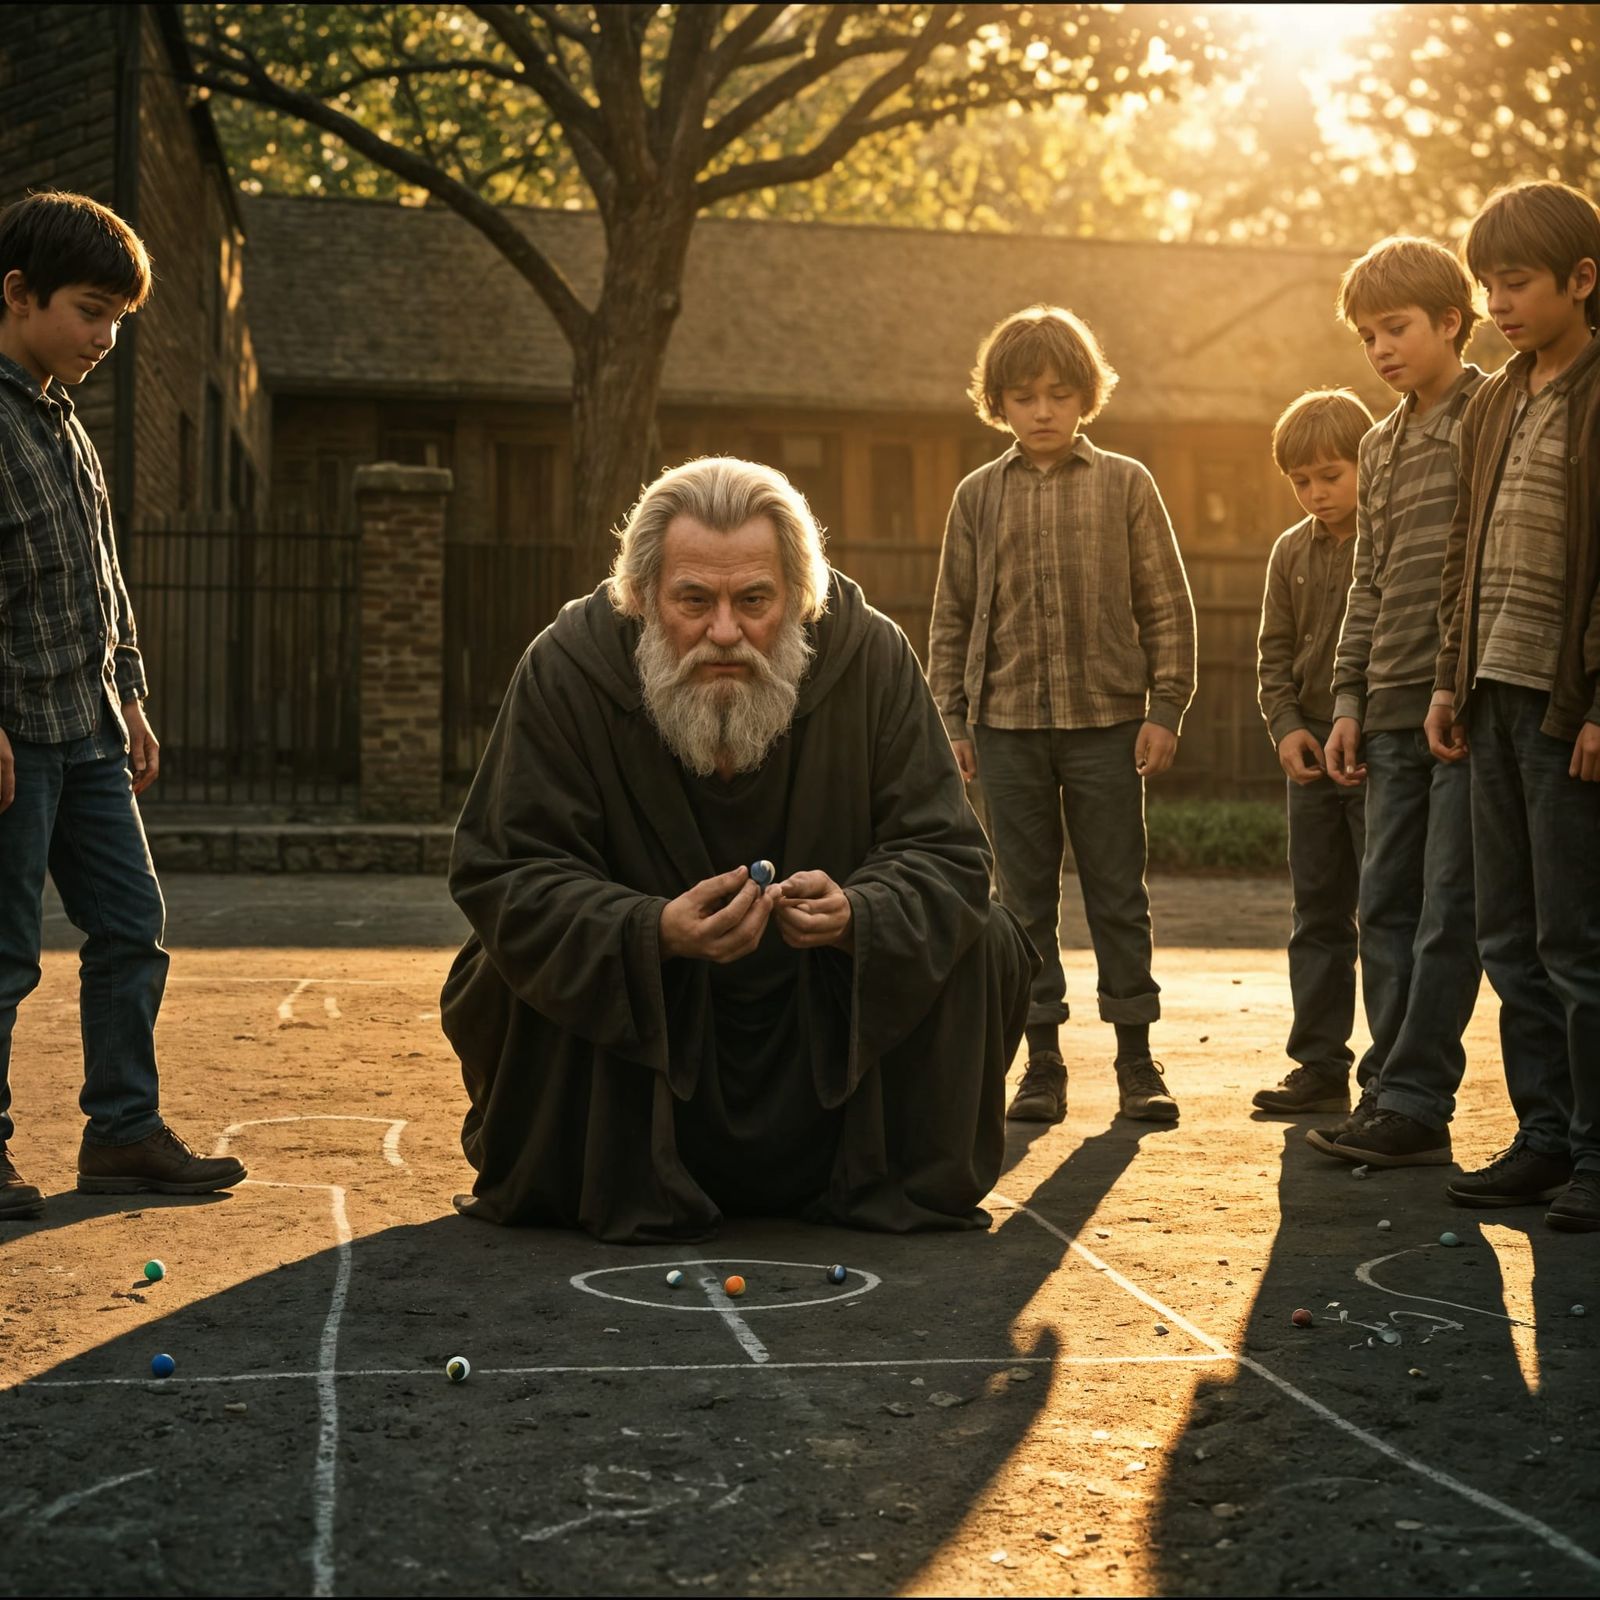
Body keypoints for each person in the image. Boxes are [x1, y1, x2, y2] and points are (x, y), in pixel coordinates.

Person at [441, 456, 1034, 1245]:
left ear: (797, 599)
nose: (725, 632)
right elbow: (504, 872)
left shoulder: (874, 659)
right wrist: (647, 931)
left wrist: (863, 912)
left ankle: (892, 1177)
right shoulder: (566, 669)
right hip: (627, 1099)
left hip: (827, 1067)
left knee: (987, 937)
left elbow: (951, 857)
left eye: (754, 601)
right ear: (645, 597)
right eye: (694, 601)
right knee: (497, 961)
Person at [0, 190, 246, 1218]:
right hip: (16, 737)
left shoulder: (68, 425)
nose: (106, 338)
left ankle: (122, 1131)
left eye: (118, 320)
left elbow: (101, 576)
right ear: (18, 294)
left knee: (131, 926)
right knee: (5, 953)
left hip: (91, 730)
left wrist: (132, 696)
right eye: (91, 311)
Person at [928, 304, 1196, 1127]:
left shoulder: (1126, 483)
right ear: (998, 404)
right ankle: (1040, 1062)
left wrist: (1167, 708)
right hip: (1006, 725)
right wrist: (955, 720)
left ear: (1086, 397)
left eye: (1058, 394)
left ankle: (1136, 1061)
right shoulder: (978, 496)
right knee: (1021, 900)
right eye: (1022, 396)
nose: (1041, 411)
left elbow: (1166, 604)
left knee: (1119, 893)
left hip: (1109, 723)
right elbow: (951, 614)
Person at [1428, 181, 1600, 1231]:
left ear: (1583, 281)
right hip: (1487, 694)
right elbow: (1463, 548)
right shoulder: (1494, 397)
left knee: (1579, 942)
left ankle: (1595, 1150)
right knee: (1507, 934)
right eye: (1486, 282)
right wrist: (1448, 677)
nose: (1496, 300)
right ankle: (1542, 1137)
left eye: (1517, 282)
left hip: (1565, 708)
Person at [1300, 236, 1487, 1168]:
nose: (1380, 349)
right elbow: (1367, 582)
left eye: (1398, 328)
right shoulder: (1378, 443)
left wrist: (1453, 681)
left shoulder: (1490, 415)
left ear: (1452, 321)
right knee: (1385, 903)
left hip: (1460, 707)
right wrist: (1346, 698)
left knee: (1453, 900)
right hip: (1384, 705)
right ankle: (1387, 1086)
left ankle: (1417, 1099)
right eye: (1368, 334)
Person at [1251, 388, 1374, 1116]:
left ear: (1365, 465)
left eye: (1331, 474)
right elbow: (1272, 655)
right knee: (1318, 912)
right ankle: (1320, 1064)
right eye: (1301, 481)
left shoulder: (1383, 542)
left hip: (1373, 751)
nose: (1317, 493)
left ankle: (1389, 1074)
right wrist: (1285, 726)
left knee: (1387, 913)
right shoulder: (1288, 552)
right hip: (1310, 760)